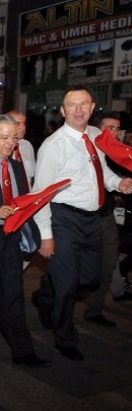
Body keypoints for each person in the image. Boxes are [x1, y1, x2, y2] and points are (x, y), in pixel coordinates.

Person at [31, 87, 132, 362]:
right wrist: (46, 235)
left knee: (88, 278)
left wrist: (118, 183)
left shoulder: (98, 136)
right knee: (68, 285)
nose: (78, 109)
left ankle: (45, 295)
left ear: (92, 107)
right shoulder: (53, 146)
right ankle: (64, 338)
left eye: (83, 104)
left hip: (93, 219)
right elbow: (41, 194)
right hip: (64, 219)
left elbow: (104, 174)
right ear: (63, 111)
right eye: (72, 105)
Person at [0, 114, 51, 368]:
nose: (9, 143)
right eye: (4, 137)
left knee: (12, 296)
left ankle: (23, 352)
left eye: (13, 138)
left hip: (11, 242)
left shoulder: (16, 167)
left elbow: (24, 202)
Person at [82, 112, 132, 327]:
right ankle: (49, 293)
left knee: (109, 262)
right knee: (78, 269)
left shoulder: (117, 151)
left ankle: (94, 309)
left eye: (116, 128)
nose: (114, 132)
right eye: (109, 127)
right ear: (97, 130)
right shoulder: (89, 148)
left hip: (107, 214)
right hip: (83, 216)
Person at [7, 110, 36, 187]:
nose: (23, 127)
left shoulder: (27, 146)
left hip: (26, 195)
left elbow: (31, 175)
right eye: (18, 124)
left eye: (24, 123)